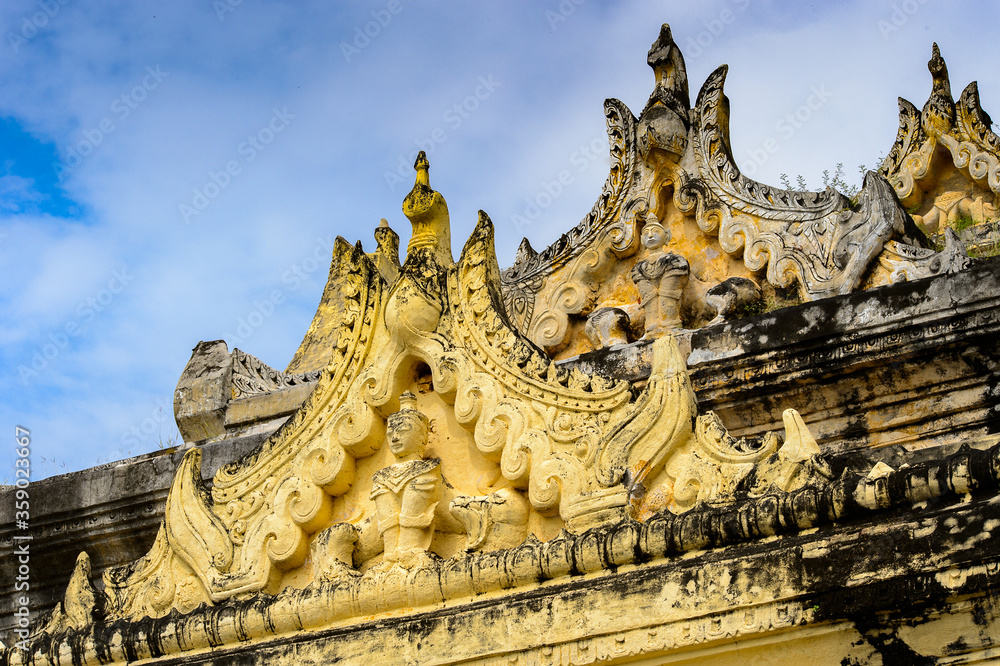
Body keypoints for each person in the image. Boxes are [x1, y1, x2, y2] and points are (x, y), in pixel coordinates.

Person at [370, 392, 442, 566]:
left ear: (422, 436)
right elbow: (388, 521)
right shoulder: (381, 478)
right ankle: (392, 557)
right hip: (389, 560)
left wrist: (407, 552)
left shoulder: (425, 470)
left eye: (402, 431)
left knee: (408, 548)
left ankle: (407, 552)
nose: (394, 438)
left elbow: (414, 516)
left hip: (412, 551)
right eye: (390, 433)